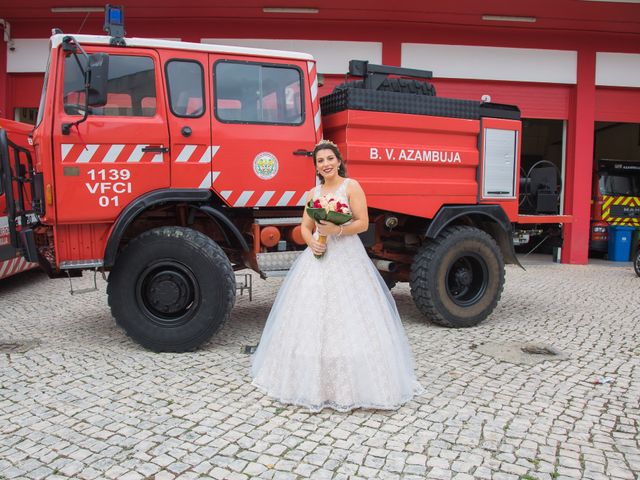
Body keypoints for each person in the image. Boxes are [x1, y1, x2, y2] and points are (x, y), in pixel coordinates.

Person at [251, 140, 423, 412]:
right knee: (313, 312)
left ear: (339, 161)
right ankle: (311, 379)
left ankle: (354, 379)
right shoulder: (313, 192)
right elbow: (306, 226)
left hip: (347, 255)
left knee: (350, 311)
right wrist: (311, 242)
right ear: (316, 166)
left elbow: (362, 223)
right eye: (320, 161)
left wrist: (336, 231)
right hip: (318, 257)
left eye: (330, 158)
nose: (326, 164)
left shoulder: (351, 186)